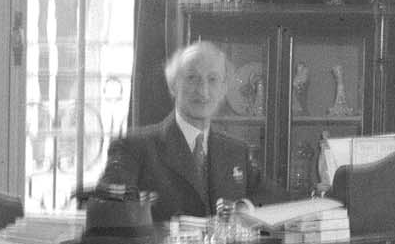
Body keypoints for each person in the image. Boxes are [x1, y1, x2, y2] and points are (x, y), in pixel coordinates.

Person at [98, 41, 283, 222]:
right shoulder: (134, 146)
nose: (203, 91)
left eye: (212, 80)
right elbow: (107, 212)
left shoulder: (236, 151)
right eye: (192, 78)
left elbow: (276, 201)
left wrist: (244, 208)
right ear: (173, 85)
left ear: (223, 89)